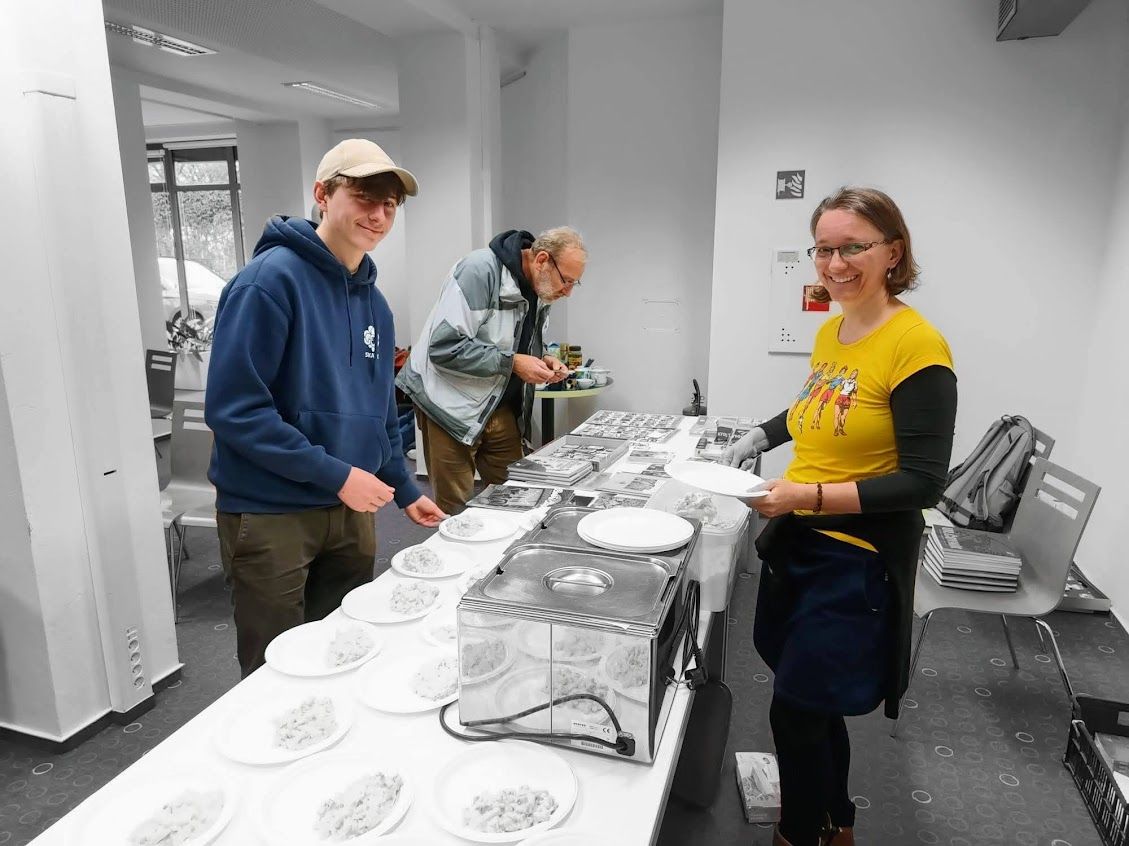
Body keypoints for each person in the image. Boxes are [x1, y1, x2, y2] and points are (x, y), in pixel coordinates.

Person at [722, 187, 957, 846]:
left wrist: (806, 496)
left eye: (853, 246)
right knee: (811, 701)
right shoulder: (834, 329)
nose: (835, 263)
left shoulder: (917, 346)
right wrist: (760, 434)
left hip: (857, 560)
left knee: (795, 710)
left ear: (893, 252)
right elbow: (818, 406)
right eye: (823, 249)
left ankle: (797, 835)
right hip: (801, 543)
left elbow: (923, 483)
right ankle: (838, 821)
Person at [205, 138, 445, 677]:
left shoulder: (375, 305)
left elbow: (379, 414)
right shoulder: (267, 283)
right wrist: (338, 476)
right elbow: (236, 411)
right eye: (364, 197)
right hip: (273, 513)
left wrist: (405, 488)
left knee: (343, 653)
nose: (378, 215)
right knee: (275, 669)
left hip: (351, 510)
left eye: (390, 205)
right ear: (322, 195)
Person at [396, 227, 584, 514]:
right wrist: (513, 363)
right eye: (566, 280)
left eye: (574, 283)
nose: (568, 292)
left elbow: (513, 340)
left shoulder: (541, 287)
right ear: (542, 260)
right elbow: (445, 347)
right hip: (448, 406)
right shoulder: (479, 271)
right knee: (456, 510)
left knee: (517, 497)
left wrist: (543, 357)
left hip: (497, 403)